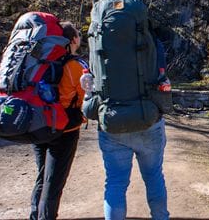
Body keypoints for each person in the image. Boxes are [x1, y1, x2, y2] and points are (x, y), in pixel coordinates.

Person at [97, 36, 170, 220]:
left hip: (113, 122)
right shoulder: (152, 41)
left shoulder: (100, 41)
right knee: (154, 177)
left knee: (115, 183)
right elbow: (162, 77)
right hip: (148, 120)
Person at [30, 21, 87, 220]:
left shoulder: (41, 61)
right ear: (72, 40)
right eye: (78, 35)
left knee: (42, 175)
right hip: (65, 129)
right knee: (53, 183)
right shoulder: (75, 65)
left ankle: (34, 215)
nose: (80, 38)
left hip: (38, 123)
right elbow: (85, 97)